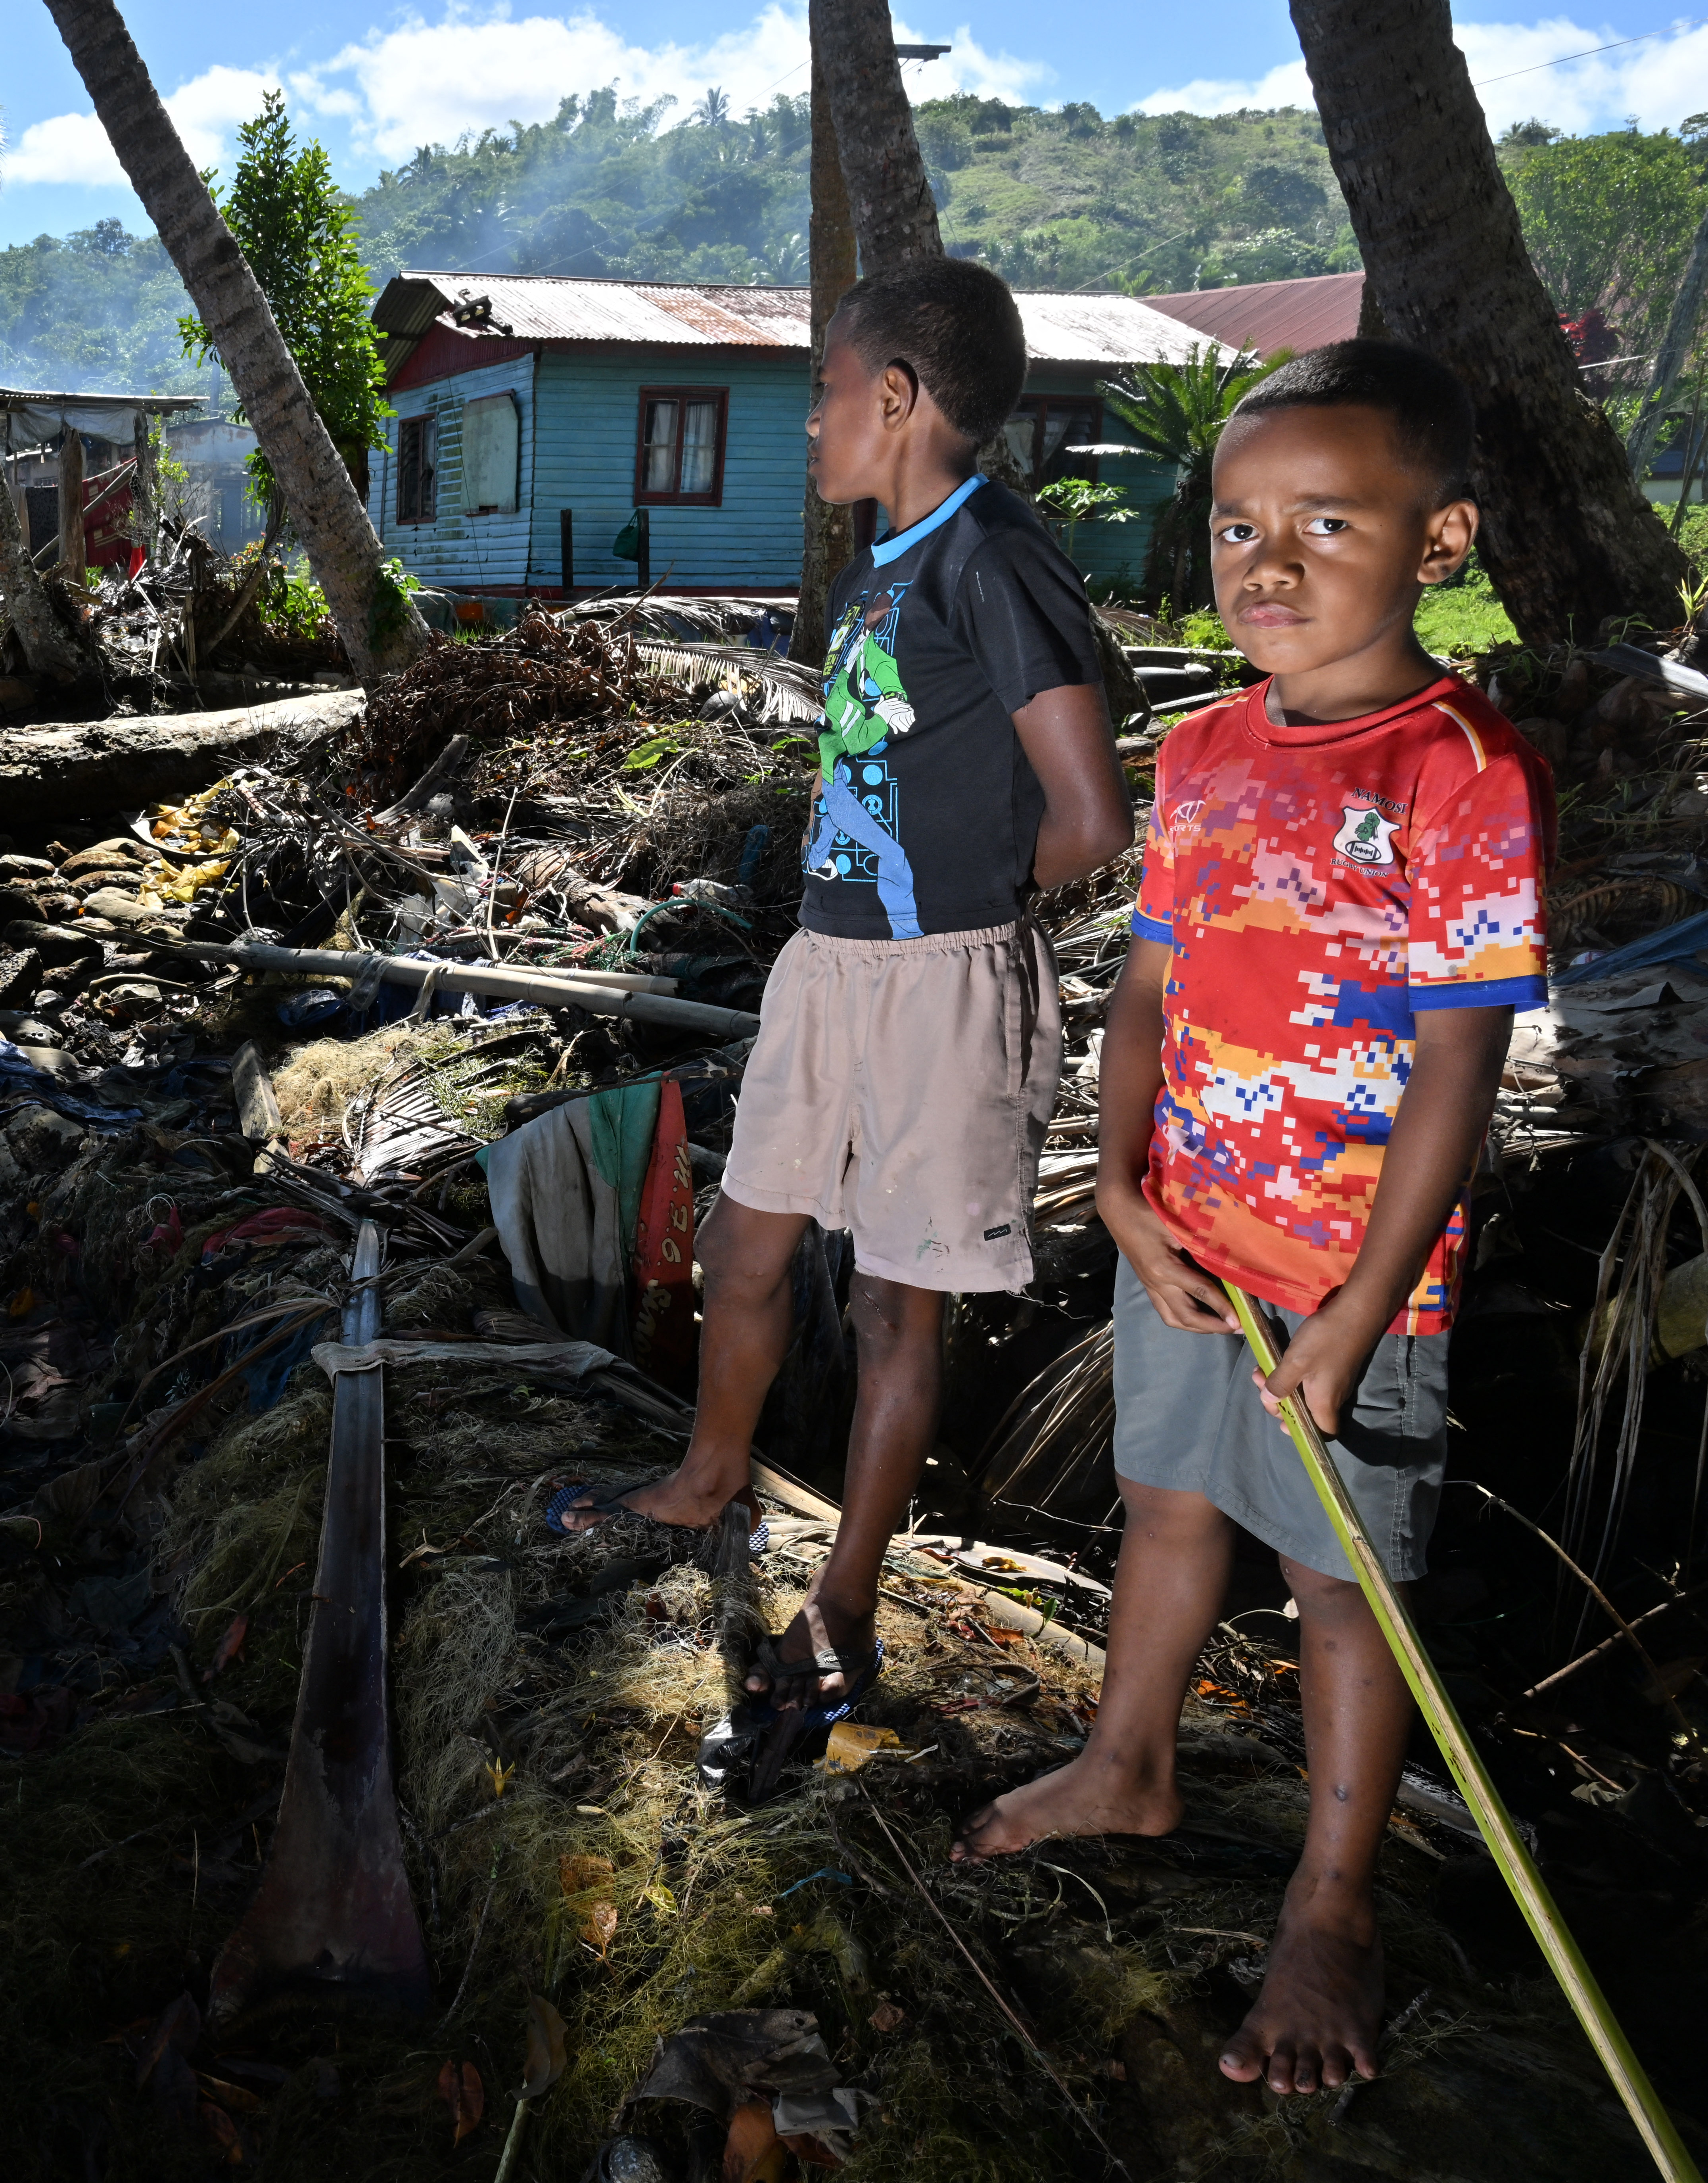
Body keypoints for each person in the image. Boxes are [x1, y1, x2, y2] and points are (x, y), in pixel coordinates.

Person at [954, 340, 1552, 2099]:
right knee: (1163, 1502)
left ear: (1438, 543)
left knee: (1339, 1586)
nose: (1266, 564)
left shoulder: (1461, 769)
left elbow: (1458, 1069)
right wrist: (1123, 1187)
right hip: (1190, 1245)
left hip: (1350, 1281)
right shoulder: (1204, 750)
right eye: (1234, 527)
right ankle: (1125, 1756)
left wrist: (1363, 1310)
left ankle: (1332, 1899)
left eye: (1325, 523)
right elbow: (1146, 989)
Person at [550, 257, 1133, 1754]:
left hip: (938, 985)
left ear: (896, 397)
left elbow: (1087, 817)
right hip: (829, 966)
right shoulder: (886, 564)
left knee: (891, 1306)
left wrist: (950, 937)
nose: (807, 420)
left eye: (821, 388)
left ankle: (848, 1597)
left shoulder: (992, 558)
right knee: (746, 1245)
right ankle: (709, 1474)